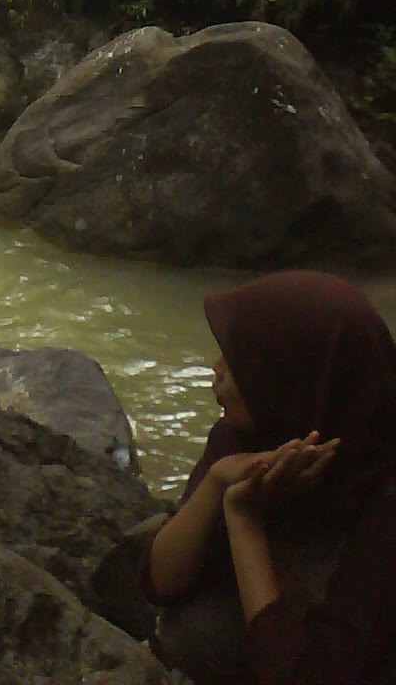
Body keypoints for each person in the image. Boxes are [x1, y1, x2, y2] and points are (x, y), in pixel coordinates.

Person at [141, 269, 396, 685]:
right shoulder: (245, 438)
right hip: (282, 638)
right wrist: (216, 484)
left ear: (293, 379)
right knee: (190, 627)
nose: (217, 369)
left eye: (239, 361)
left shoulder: (385, 494)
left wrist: (243, 519)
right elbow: (159, 584)